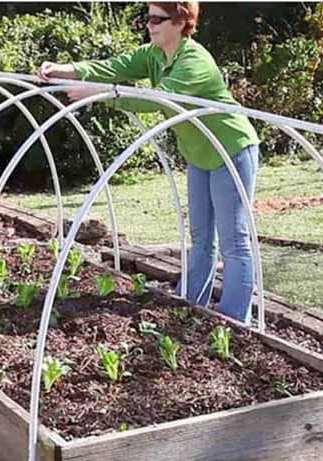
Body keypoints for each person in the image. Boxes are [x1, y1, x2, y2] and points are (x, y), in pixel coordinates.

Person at [38, 2, 260, 324]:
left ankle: (233, 320)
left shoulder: (194, 60)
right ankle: (190, 305)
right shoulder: (155, 55)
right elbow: (113, 67)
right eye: (148, 17)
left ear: (182, 21)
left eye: (158, 18)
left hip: (231, 149)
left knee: (234, 241)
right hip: (200, 155)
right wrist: (63, 69)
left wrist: (102, 94)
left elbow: (157, 99)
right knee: (200, 238)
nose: (150, 24)